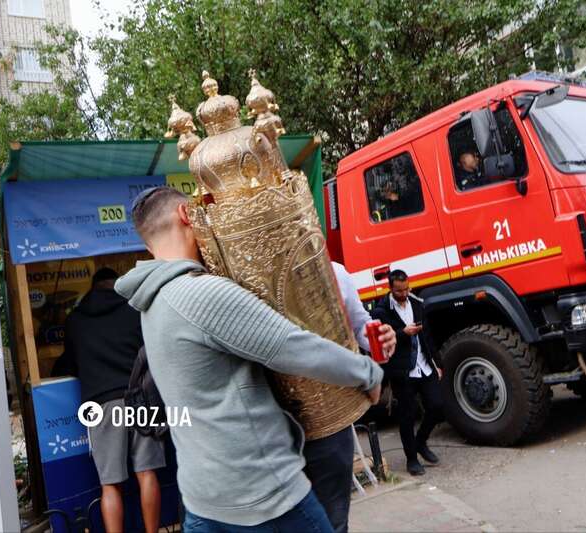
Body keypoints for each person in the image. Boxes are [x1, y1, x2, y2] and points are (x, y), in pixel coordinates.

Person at [115, 186, 384, 532]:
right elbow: (292, 346)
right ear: (186, 214)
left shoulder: (151, 301)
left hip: (202, 498)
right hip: (260, 496)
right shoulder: (201, 294)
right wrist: (368, 373)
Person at [58, 268, 164, 533]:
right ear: (116, 285)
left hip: (102, 405)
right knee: (147, 473)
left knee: (110, 484)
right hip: (140, 400)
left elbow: (70, 364)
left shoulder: (75, 321)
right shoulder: (134, 311)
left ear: (92, 288)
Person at [310, 261, 395, 533]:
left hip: (333, 421)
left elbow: (360, 326)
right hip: (280, 428)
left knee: (334, 520)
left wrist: (379, 337)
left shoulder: (335, 272)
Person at [371, 269, 444, 476]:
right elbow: (381, 343)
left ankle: (420, 442)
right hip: (402, 371)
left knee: (437, 406)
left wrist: (437, 363)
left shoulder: (417, 304)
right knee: (407, 416)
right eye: (399, 291)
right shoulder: (381, 311)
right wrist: (403, 333)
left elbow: (427, 337)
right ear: (391, 289)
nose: (404, 294)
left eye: (406, 289)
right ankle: (411, 459)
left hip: (424, 365)